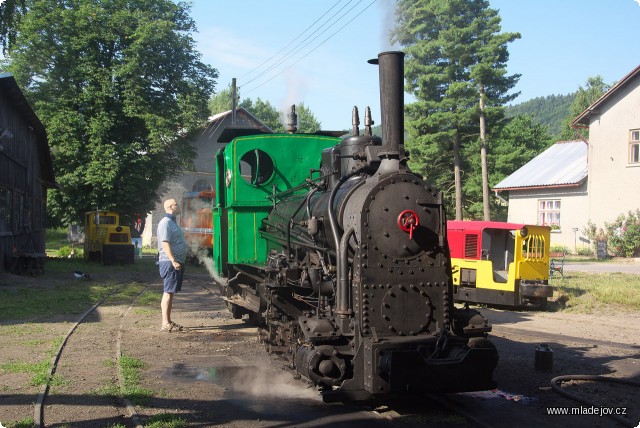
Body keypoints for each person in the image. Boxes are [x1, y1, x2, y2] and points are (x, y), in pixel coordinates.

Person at [157, 198, 188, 332]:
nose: (178, 206)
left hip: (174, 262)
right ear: (170, 207)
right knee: (168, 292)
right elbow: (165, 243)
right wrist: (173, 260)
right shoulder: (165, 223)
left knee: (170, 292)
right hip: (170, 262)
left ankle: (168, 321)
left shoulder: (172, 222)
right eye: (176, 204)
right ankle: (165, 323)